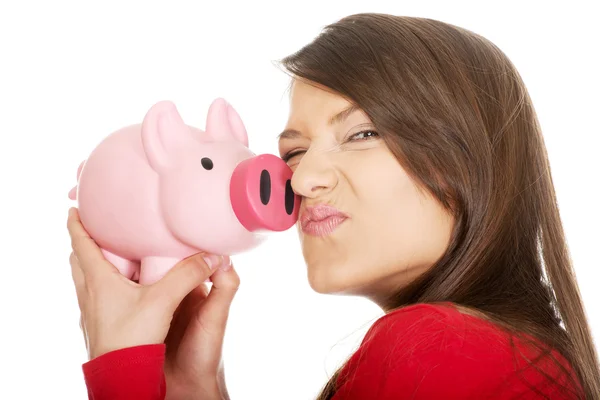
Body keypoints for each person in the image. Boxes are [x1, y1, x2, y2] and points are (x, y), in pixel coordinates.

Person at [66, 13, 600, 400]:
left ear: (471, 160)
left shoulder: (436, 349)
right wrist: (194, 390)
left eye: (362, 133)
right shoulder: (523, 357)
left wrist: (121, 373)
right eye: (293, 152)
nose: (302, 180)